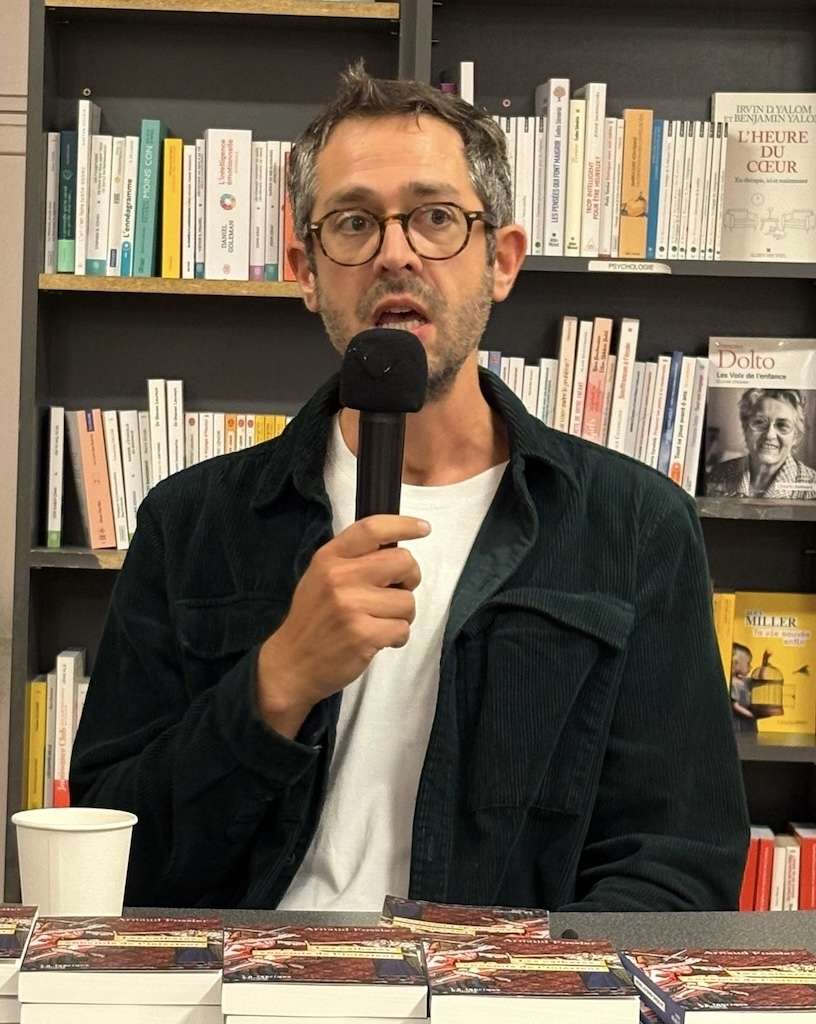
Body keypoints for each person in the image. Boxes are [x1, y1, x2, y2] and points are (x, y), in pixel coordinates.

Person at [71, 64, 749, 912]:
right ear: (306, 270)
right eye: (354, 223)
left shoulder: (636, 525)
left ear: (502, 261)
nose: (396, 254)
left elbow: (677, 868)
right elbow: (110, 853)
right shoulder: (191, 522)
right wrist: (278, 680)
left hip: (499, 980)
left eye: (435, 218)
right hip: (243, 973)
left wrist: (505, 978)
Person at [706, 388, 816, 499]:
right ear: (745, 428)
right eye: (759, 422)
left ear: (795, 437)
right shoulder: (719, 474)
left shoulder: (812, 484)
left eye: (782, 425)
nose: (769, 435)